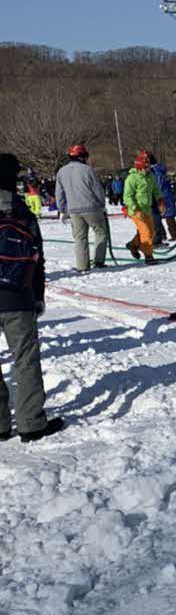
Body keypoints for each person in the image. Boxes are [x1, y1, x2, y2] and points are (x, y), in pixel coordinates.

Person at [0, 152, 64, 443]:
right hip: (18, 296)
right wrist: (37, 296)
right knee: (24, 359)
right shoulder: (21, 211)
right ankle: (30, 423)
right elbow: (37, 258)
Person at [55, 143, 109, 271]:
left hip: (73, 209)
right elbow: (97, 189)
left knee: (80, 238)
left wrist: (62, 209)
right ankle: (99, 261)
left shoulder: (61, 171)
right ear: (82, 156)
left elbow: (59, 192)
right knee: (101, 232)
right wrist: (102, 204)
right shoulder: (87, 170)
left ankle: (82, 266)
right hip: (91, 207)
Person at [122, 152, 161, 264]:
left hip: (146, 209)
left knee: (152, 232)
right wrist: (135, 209)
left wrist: (160, 200)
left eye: (148, 167)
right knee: (146, 232)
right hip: (135, 210)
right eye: (145, 168)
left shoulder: (150, 177)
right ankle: (148, 255)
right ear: (139, 168)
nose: (148, 170)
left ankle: (133, 244)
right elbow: (127, 196)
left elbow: (156, 189)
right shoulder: (132, 178)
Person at [149, 152, 176, 241]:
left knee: (161, 216)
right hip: (166, 194)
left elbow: (159, 184)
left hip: (162, 195)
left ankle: (171, 234)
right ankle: (167, 234)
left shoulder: (156, 171)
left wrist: (155, 193)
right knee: (164, 215)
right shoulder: (159, 169)